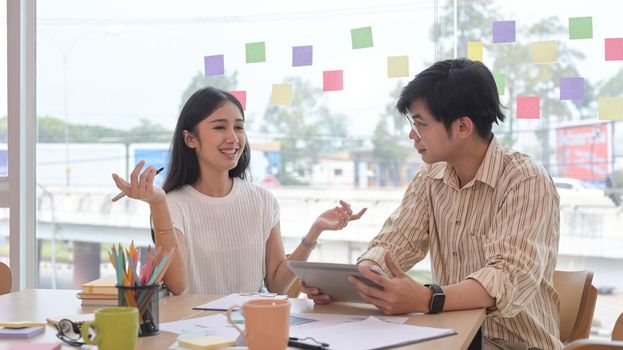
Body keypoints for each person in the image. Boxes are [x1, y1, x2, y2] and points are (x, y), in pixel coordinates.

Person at [301, 58, 562, 350]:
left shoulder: (525, 180)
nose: (413, 135)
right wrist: (357, 282)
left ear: (462, 126)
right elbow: (394, 244)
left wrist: (427, 298)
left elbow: (505, 277)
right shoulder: (430, 178)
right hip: (451, 338)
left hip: (516, 344)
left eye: (421, 124)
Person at [112, 87, 365, 295]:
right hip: (193, 336)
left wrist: (315, 229)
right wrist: (158, 204)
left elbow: (277, 284)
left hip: (251, 331)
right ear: (190, 139)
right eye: (220, 127)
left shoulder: (262, 200)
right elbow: (178, 285)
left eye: (239, 127)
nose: (233, 137)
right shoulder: (173, 204)